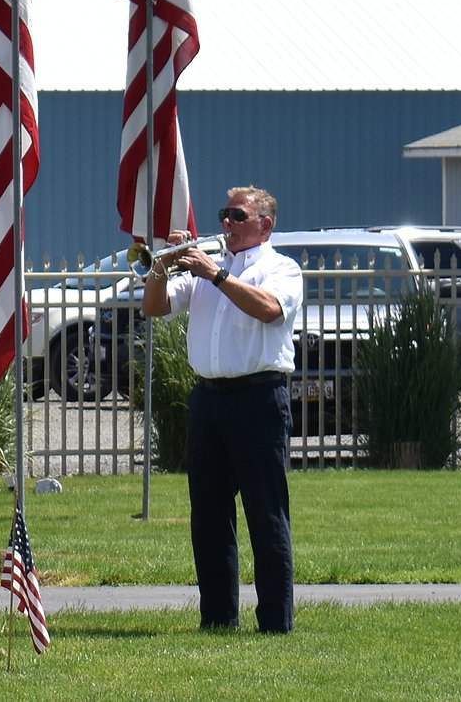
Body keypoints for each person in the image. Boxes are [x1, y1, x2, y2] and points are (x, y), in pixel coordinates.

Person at [141, 184, 302, 633]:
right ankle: (217, 617)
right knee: (208, 514)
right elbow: (154, 307)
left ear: (264, 225)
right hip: (208, 399)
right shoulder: (206, 268)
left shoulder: (280, 268)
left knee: (265, 512)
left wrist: (215, 275)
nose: (226, 223)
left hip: (259, 398)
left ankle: (275, 621)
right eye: (223, 215)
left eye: (237, 216)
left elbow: (269, 310)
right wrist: (161, 266)